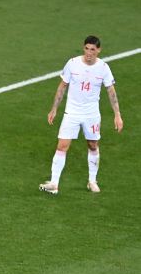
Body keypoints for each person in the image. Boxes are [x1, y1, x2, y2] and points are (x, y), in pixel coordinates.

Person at [39, 35, 124, 195]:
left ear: (98, 50)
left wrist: (117, 115)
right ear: (83, 48)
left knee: (92, 145)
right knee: (62, 145)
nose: (89, 52)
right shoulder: (72, 64)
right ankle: (54, 183)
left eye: (93, 49)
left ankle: (92, 181)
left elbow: (111, 92)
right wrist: (54, 108)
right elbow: (62, 86)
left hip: (91, 114)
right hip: (72, 112)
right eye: (86, 48)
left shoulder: (103, 68)